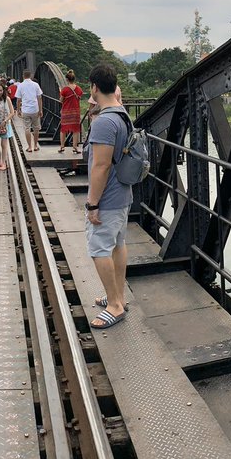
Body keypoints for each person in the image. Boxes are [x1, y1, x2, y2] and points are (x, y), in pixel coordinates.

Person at [83, 63, 133, 329]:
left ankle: (114, 305)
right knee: (118, 245)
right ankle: (119, 297)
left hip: (108, 198)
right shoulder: (122, 114)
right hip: (123, 193)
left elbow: (101, 166)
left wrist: (93, 203)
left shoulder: (104, 121)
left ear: (93, 87)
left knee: (99, 249)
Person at [15, 70, 43, 153]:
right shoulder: (35, 85)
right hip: (35, 109)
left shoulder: (20, 85)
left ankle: (29, 147)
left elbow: (18, 100)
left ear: (23, 76)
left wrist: (18, 110)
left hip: (26, 110)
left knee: (27, 128)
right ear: (30, 76)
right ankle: (35, 146)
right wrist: (40, 109)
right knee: (36, 128)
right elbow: (39, 98)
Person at [58, 70, 84, 154]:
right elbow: (79, 98)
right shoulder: (79, 89)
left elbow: (61, 100)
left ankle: (62, 146)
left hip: (66, 111)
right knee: (76, 129)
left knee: (63, 129)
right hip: (75, 111)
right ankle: (75, 147)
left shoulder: (64, 90)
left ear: (67, 79)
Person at [0, 82, 15, 171]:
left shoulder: (7, 99)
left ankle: (4, 163)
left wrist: (5, 121)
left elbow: (12, 112)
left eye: (1, 90)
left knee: (3, 145)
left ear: (3, 90)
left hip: (5, 124)